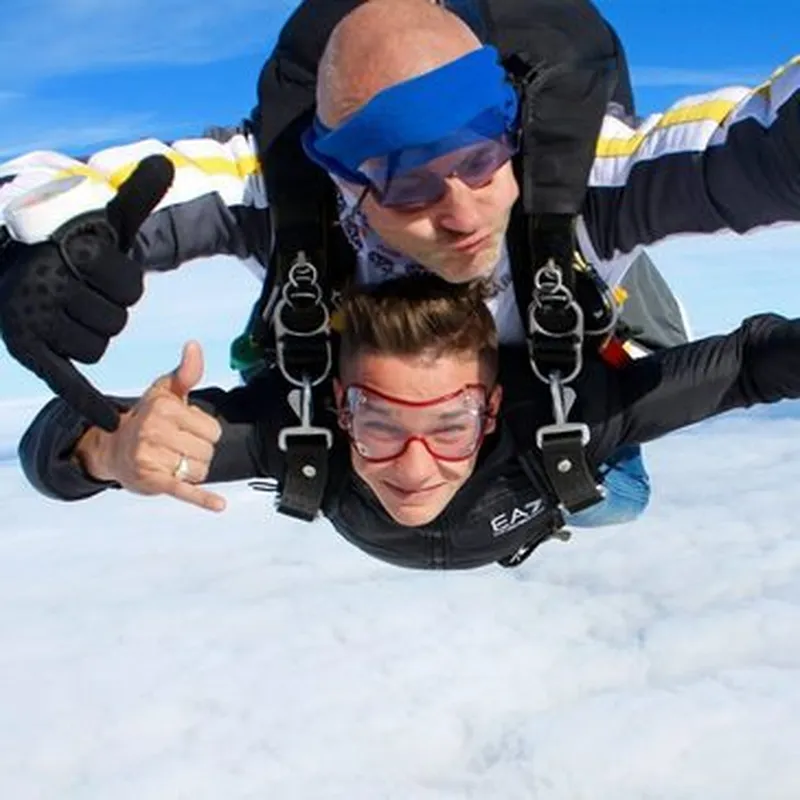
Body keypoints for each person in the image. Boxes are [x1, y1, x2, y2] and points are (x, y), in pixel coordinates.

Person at [2, 0, 800, 522]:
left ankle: (615, 291)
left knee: (609, 494)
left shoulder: (581, 178)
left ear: (513, 132)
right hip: (386, 388)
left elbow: (749, 144)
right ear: (347, 180)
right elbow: (75, 191)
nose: (462, 213)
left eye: (482, 161)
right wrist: (42, 246)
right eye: (412, 187)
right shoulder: (287, 198)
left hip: (558, 359)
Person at [17, 270, 800, 570]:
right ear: (338, 406)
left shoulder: (567, 419)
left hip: (569, 477)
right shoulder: (299, 432)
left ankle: (626, 336)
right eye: (380, 423)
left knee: (618, 491)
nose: (415, 466)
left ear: (492, 409)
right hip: (532, 495)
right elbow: (52, 446)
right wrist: (105, 452)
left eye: (452, 425)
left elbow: (749, 363)